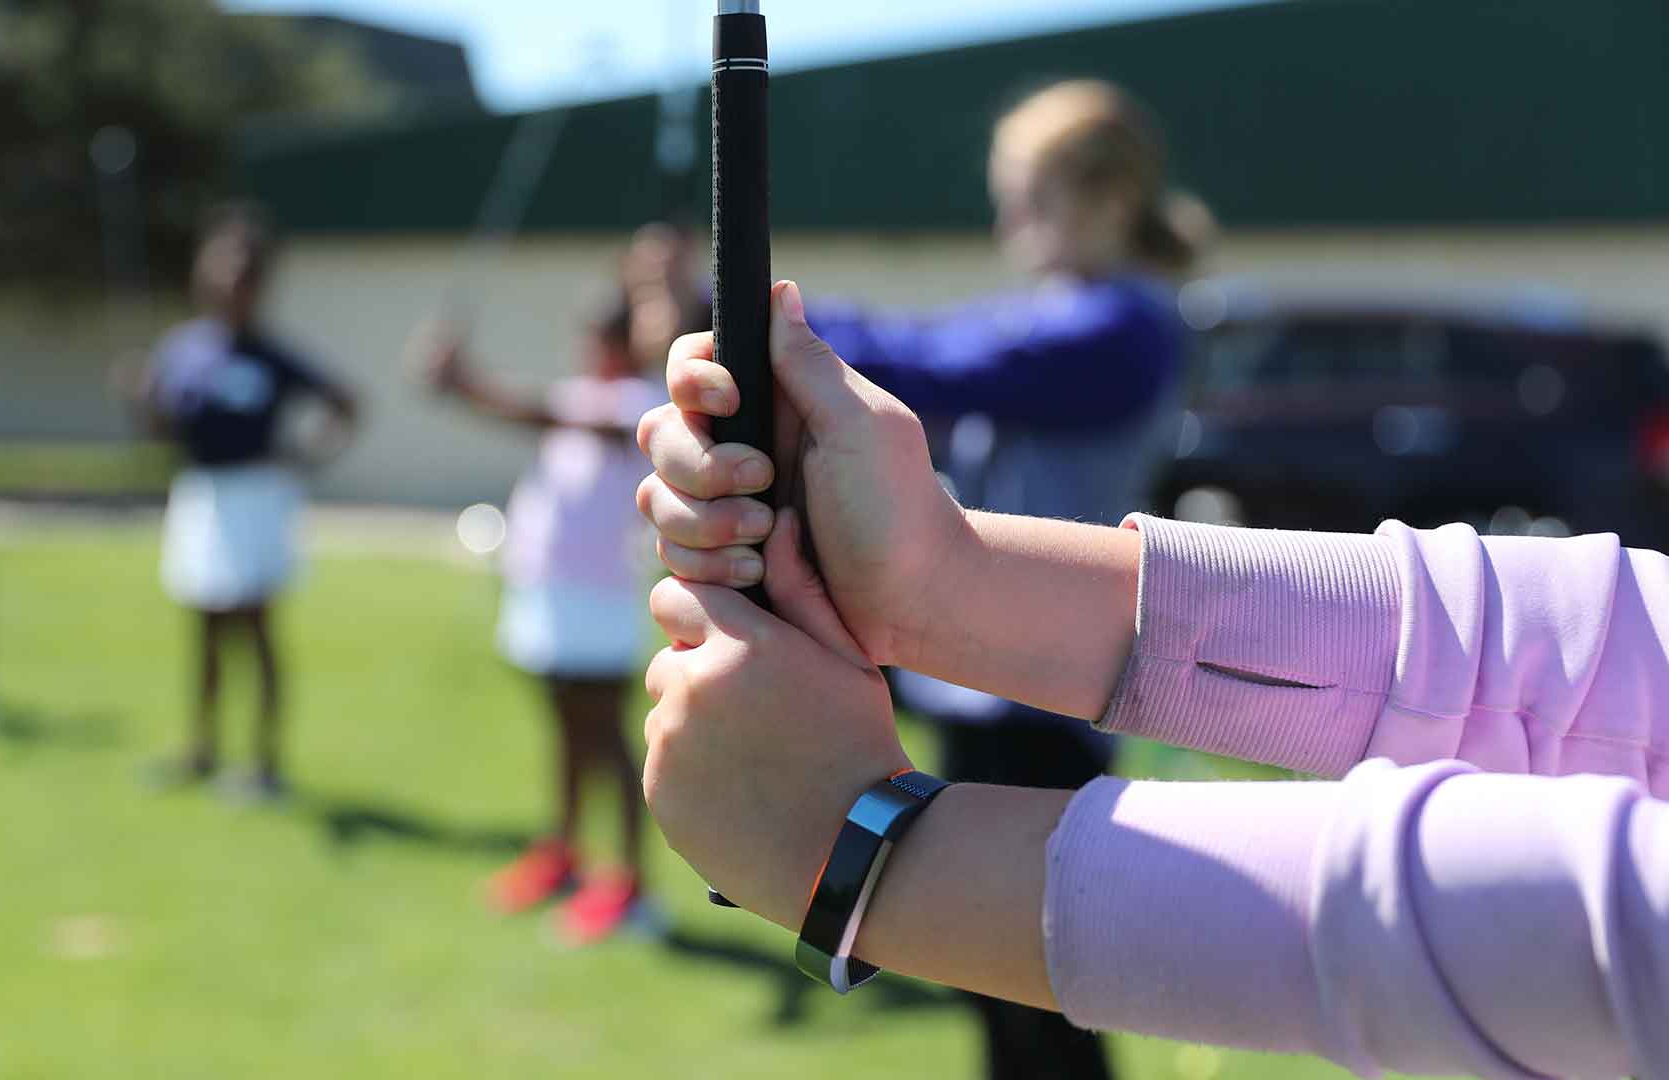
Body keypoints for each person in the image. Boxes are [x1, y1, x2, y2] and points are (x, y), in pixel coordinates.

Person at [634, 282, 1669, 1080]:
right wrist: (940, 584)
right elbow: (1612, 656)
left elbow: (1624, 932)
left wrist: (875, 853)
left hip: (1036, 729)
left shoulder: (1118, 318)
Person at [788, 79, 1205, 1079]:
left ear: (1109, 198)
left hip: (1046, 699)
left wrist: (768, 318)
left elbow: (936, 361)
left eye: (1031, 199)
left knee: (1043, 993)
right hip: (990, 686)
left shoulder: (1124, 328)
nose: (1009, 224)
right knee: (991, 983)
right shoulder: (1070, 317)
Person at [411, 283, 673, 945]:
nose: (591, 349)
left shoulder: (640, 404)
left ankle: (632, 884)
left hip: (602, 598)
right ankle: (564, 853)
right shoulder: (581, 395)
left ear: (626, 343)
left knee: (607, 739)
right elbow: (542, 413)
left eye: (602, 337)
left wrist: (467, 384)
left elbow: (544, 416)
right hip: (550, 593)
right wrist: (462, 387)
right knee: (565, 731)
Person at [124, 204, 360, 802]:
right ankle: (202, 750)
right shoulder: (182, 349)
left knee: (256, 628)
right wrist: (142, 401)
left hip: (257, 497)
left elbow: (346, 405)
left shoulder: (271, 354)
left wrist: (305, 456)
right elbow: (163, 429)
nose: (232, 283)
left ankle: (264, 763)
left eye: (244, 273)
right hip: (202, 494)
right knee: (204, 628)